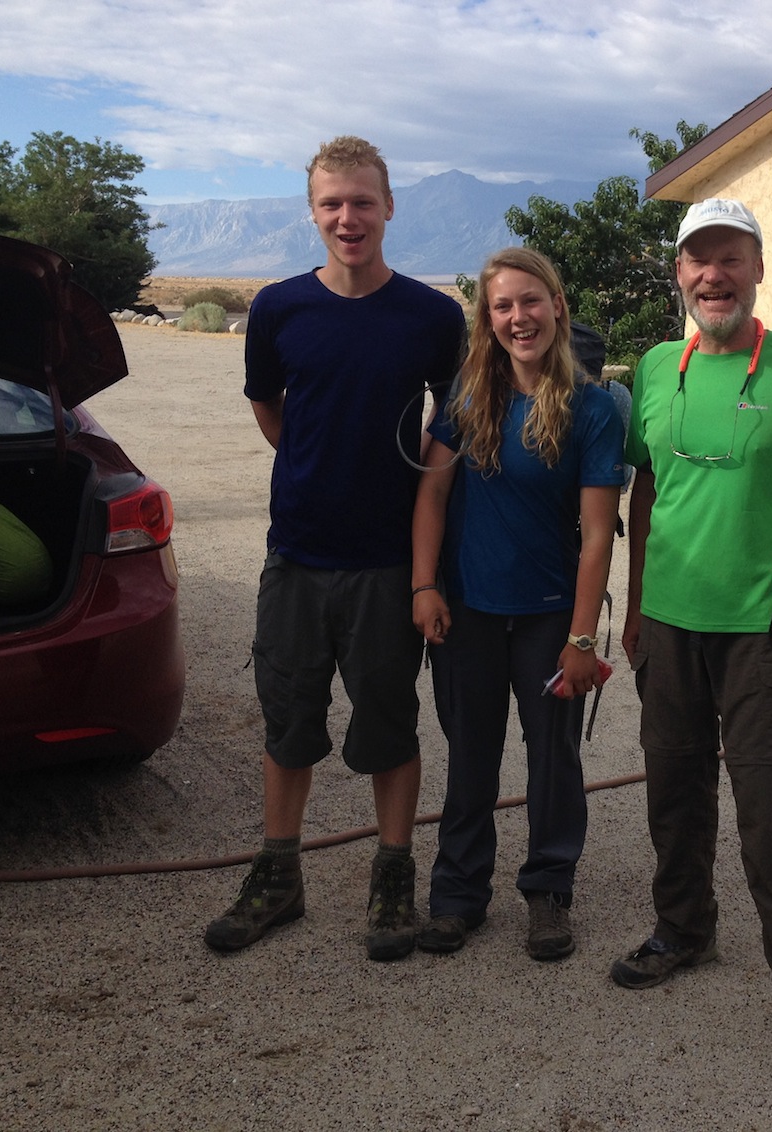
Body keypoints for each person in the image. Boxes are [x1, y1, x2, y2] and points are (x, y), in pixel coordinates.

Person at [611, 198, 772, 1078]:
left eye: (729, 259)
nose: (711, 275)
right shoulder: (651, 368)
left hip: (765, 629)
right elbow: (644, 498)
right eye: (696, 261)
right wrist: (634, 606)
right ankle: (682, 932)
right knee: (673, 796)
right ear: (677, 274)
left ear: (758, 269)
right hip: (671, 627)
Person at [204, 136, 466, 959]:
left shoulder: (431, 316)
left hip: (387, 561)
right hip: (297, 556)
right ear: (312, 212)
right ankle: (279, 877)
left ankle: (393, 880)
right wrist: (318, 464)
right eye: (331, 203)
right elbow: (268, 407)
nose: (346, 218)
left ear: (389, 208)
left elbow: (452, 425)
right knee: (287, 717)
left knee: (388, 723)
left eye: (361, 201)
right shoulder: (279, 307)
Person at [410, 247, 626, 961]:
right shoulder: (466, 401)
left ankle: (547, 891)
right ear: (487, 318)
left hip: (547, 615)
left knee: (553, 759)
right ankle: (457, 896)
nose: (517, 317)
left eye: (529, 301)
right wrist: (424, 585)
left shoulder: (592, 409)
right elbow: (433, 495)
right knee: (470, 755)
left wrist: (583, 638)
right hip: (468, 610)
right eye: (501, 306)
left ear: (556, 306)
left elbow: (597, 535)